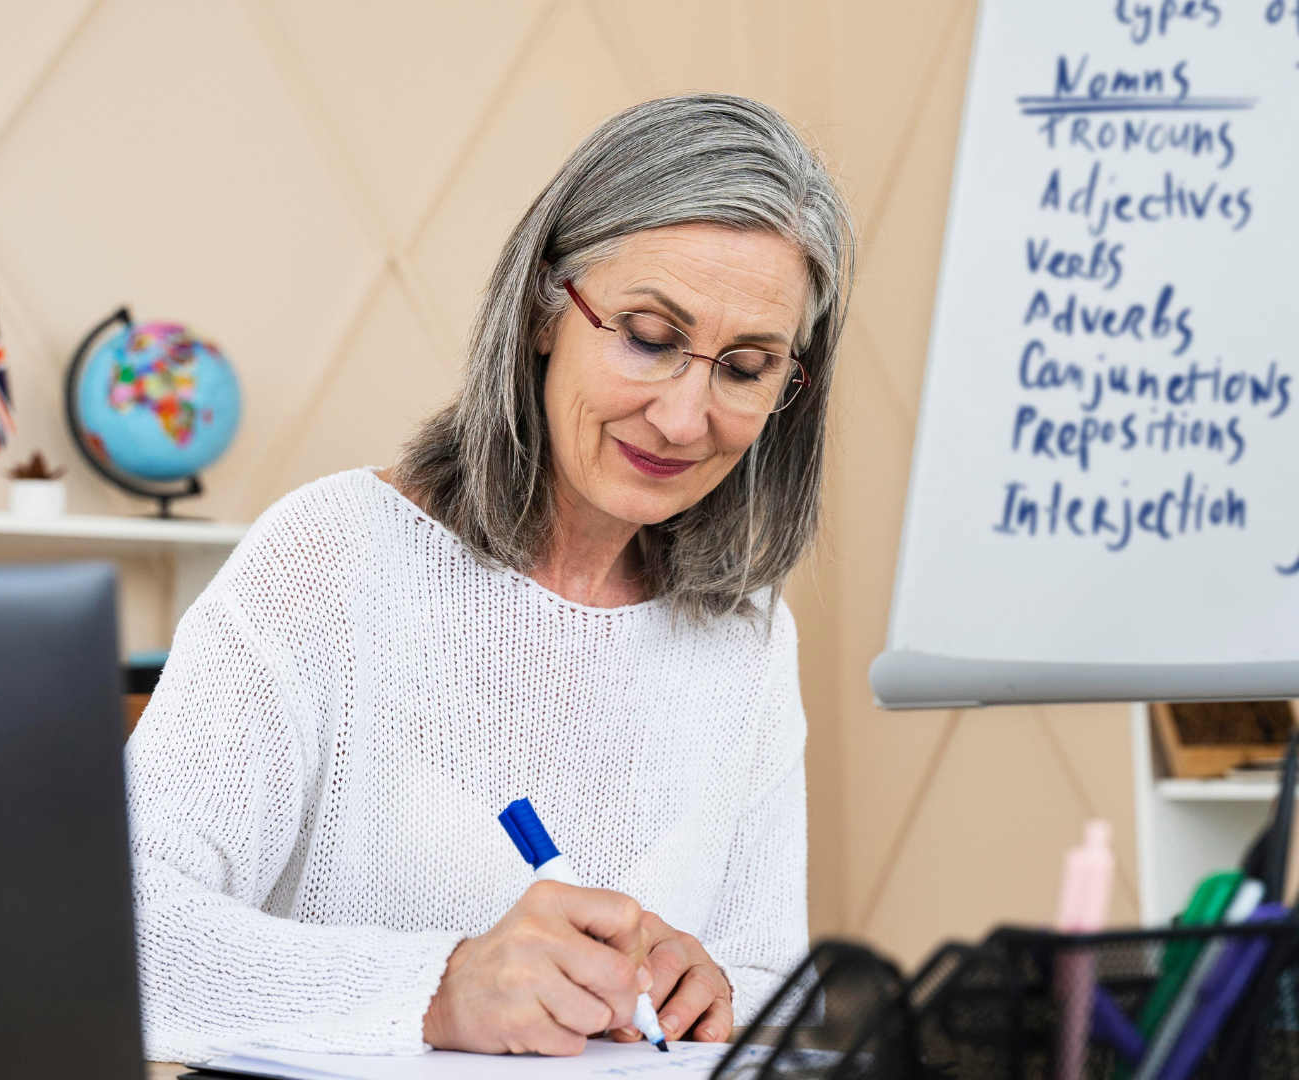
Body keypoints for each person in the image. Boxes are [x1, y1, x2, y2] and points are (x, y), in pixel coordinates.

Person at [125, 92, 854, 1062]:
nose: (686, 418)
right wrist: (439, 989)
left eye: (748, 366)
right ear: (546, 311)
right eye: (647, 335)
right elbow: (125, 930)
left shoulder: (748, 636)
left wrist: (711, 990)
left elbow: (770, 987)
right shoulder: (331, 558)